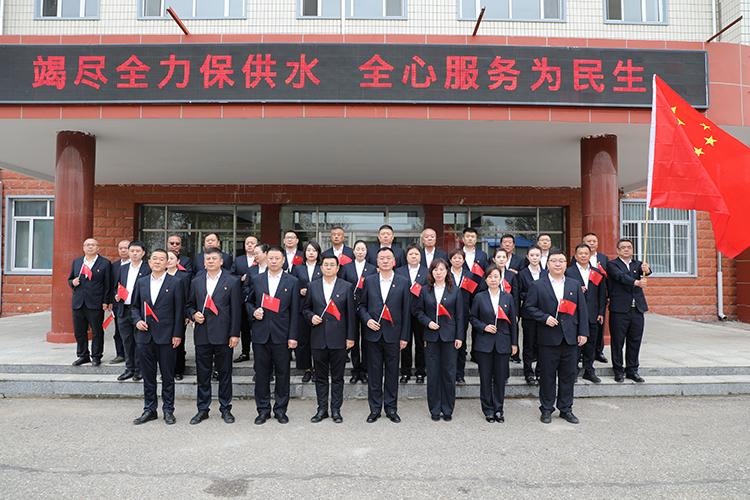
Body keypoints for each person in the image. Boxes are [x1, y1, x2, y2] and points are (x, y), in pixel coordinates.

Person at [523, 248, 588, 424]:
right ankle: (546, 409)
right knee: (547, 376)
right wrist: (544, 318)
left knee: (568, 376)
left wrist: (583, 332)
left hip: (570, 338)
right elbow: (529, 307)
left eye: (561, 261)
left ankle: (566, 409)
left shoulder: (574, 284)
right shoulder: (538, 285)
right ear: (548, 264)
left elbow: (582, 310)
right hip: (548, 338)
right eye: (554, 261)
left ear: (566, 264)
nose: (558, 264)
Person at [186, 247, 242, 425]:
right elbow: (189, 305)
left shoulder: (232, 281)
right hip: (202, 334)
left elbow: (236, 311)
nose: (210, 261)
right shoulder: (196, 281)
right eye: (207, 259)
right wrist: (193, 314)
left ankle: (226, 409)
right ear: (204, 262)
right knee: (203, 375)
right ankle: (203, 409)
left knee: (225, 373)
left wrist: (235, 334)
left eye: (214, 258)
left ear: (221, 261)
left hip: (224, 335)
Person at [130, 249, 185, 425]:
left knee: (167, 376)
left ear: (167, 262)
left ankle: (168, 410)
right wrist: (137, 320)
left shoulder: (176, 282)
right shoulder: (141, 282)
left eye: (162, 259)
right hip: (145, 336)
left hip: (167, 337)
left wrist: (177, 334)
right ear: (149, 261)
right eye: (154, 258)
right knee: (148, 376)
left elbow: (179, 311)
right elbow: (134, 307)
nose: (158, 262)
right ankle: (149, 409)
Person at [357, 247, 410, 423]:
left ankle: (391, 408)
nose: (385, 261)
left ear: (394, 261)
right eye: (382, 258)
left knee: (392, 374)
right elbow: (361, 306)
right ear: (377, 261)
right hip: (373, 335)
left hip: (394, 336)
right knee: (374, 374)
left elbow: (406, 311)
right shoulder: (369, 281)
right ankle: (374, 409)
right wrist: (367, 320)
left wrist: (404, 337)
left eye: (388, 258)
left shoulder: (403, 282)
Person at [302, 255, 356, 423]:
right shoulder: (312, 286)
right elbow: (305, 309)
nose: (329, 267)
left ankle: (336, 410)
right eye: (326, 265)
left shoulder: (346, 286)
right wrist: (311, 317)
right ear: (321, 267)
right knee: (321, 377)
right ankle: (322, 409)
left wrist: (351, 337)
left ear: (338, 268)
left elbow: (351, 315)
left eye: (332, 265)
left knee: (338, 377)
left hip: (339, 339)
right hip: (318, 338)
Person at [250, 246, 300, 424]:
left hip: (282, 335)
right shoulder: (257, 279)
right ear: (266, 259)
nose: (273, 261)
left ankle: (280, 410)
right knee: (261, 374)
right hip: (261, 334)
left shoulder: (292, 281)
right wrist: (253, 311)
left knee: (283, 374)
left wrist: (293, 336)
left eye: (277, 258)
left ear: (283, 260)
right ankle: (263, 410)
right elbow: (247, 301)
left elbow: (295, 312)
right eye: (270, 258)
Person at [415, 258, 464, 421]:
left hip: (450, 337)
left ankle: (448, 409)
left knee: (449, 373)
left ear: (447, 271)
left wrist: (459, 337)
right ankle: (435, 409)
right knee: (433, 374)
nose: (438, 272)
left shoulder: (455, 290)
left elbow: (460, 315)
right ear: (431, 272)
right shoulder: (425, 290)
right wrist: (428, 322)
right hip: (431, 337)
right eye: (435, 269)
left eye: (442, 269)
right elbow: (418, 312)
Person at [470, 265, 517, 423]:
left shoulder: (508, 297)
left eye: (496, 276)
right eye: (490, 277)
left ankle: (498, 409)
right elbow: (473, 318)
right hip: (484, 344)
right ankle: (488, 410)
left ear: (501, 279)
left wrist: (514, 343)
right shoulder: (479, 297)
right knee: (485, 378)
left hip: (503, 343)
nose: (493, 280)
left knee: (500, 378)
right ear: (486, 279)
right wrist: (484, 327)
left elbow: (513, 323)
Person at [607, 238, 651, 383]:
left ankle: (632, 370)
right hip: (619, 310)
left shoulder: (638, 264)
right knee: (618, 342)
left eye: (629, 247)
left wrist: (647, 270)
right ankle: (618, 371)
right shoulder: (612, 264)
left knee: (635, 340)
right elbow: (620, 277)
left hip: (637, 309)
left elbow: (647, 272)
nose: (626, 249)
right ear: (618, 250)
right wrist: (636, 282)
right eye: (623, 247)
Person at [566, 243, 606, 384]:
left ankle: (589, 370)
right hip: (574, 314)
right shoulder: (568, 272)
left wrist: (601, 312)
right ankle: (573, 371)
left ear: (590, 255)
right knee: (575, 345)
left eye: (586, 253)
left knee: (590, 344)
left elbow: (602, 294)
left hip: (592, 313)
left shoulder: (596, 271)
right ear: (576, 256)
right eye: (580, 253)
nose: (583, 256)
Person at [68, 238, 111, 367]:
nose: (90, 247)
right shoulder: (77, 262)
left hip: (95, 302)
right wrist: (72, 282)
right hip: (78, 302)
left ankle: (96, 356)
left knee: (97, 331)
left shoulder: (105, 263)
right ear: (83, 248)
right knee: (79, 331)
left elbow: (107, 284)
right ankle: (83, 355)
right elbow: (70, 279)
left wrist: (106, 301)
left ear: (98, 248)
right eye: (87, 245)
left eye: (93, 245)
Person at [113, 241, 150, 381]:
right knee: (127, 341)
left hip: (139, 311)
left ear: (143, 253)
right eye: (132, 251)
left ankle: (140, 370)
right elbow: (117, 286)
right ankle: (129, 369)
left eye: (137, 251)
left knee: (139, 342)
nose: (134, 253)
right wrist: (116, 295)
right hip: (123, 309)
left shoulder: (148, 268)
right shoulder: (123, 268)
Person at [342, 239, 376, 384]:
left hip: (367, 308)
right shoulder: (346, 267)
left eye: (363, 249)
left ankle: (365, 370)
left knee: (367, 340)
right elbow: (342, 286)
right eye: (358, 249)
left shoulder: (372, 268)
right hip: (350, 307)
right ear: (353, 251)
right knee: (353, 338)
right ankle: (356, 370)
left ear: (366, 252)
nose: (360, 252)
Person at [396, 244, 428, 384]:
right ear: (406, 256)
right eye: (411, 254)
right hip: (404, 312)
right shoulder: (399, 271)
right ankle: (405, 372)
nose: (413, 256)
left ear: (420, 256)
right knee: (405, 343)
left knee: (421, 344)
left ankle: (420, 372)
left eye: (416, 254)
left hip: (420, 313)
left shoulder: (427, 271)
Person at [481, 248, 520, 364]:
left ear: (507, 259)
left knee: (510, 330)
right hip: (490, 310)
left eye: (504, 257)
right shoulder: (488, 274)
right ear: (494, 259)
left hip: (508, 309)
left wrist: (516, 313)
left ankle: (513, 354)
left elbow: (516, 296)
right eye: (499, 257)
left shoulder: (511, 275)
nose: (501, 259)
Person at [293, 240, 322, 383]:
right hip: (302, 308)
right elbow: (292, 284)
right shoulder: (298, 268)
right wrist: (299, 291)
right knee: (303, 341)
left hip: (318, 309)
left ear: (318, 253)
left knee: (317, 341)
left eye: (314, 250)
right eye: (309, 250)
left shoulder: (322, 267)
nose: (311, 253)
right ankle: (306, 369)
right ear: (304, 253)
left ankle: (318, 368)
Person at [518, 245, 546, 386]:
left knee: (542, 343)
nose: (535, 258)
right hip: (528, 314)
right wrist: (533, 295)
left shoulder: (546, 273)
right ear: (527, 257)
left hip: (543, 314)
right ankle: (528, 372)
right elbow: (519, 293)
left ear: (541, 257)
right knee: (528, 344)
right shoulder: (522, 274)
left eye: (537, 255)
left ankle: (540, 372)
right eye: (532, 255)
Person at [582, 232, 610, 363]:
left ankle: (599, 351)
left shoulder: (603, 258)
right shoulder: (578, 257)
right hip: (584, 297)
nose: (592, 243)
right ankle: (584, 352)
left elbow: (609, 277)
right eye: (589, 241)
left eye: (594, 241)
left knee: (599, 324)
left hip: (600, 295)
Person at [231, 235, 258, 363]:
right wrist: (240, 278)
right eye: (247, 243)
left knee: (257, 327)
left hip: (257, 299)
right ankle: (245, 352)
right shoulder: (238, 260)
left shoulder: (261, 258)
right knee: (244, 327)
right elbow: (231, 276)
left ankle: (259, 352)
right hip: (242, 298)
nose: (250, 245)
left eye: (252, 243)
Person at [448, 248, 473, 385]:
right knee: (449, 344)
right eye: (454, 258)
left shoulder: (469, 275)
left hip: (463, 314)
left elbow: (473, 296)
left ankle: (460, 374)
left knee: (461, 344)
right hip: (447, 314)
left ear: (464, 260)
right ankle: (449, 374)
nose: (457, 260)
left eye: (460, 258)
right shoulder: (445, 274)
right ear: (450, 260)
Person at [166, 250, 191, 381]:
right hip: (163, 314)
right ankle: (167, 370)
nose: (169, 260)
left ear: (178, 261)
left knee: (179, 342)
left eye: (172, 258)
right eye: (167, 258)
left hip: (180, 314)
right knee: (165, 343)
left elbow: (187, 296)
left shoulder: (184, 276)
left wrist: (187, 315)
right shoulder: (160, 274)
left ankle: (179, 370)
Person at [108, 239, 130, 364]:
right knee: (119, 330)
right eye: (120, 248)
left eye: (125, 248)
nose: (123, 250)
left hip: (132, 303)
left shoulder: (137, 266)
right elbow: (110, 285)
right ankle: (120, 354)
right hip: (118, 303)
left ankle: (131, 355)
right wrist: (111, 300)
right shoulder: (114, 266)